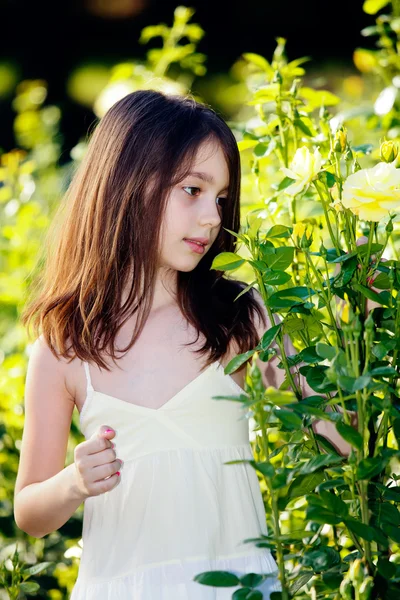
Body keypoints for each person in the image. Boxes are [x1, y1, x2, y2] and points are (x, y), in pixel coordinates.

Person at [13, 90, 350, 599]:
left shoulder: (240, 318)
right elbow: (30, 513)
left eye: (220, 199)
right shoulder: (65, 345)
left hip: (238, 586)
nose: (213, 217)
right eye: (192, 190)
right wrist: (74, 482)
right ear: (124, 185)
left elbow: (341, 438)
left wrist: (360, 328)